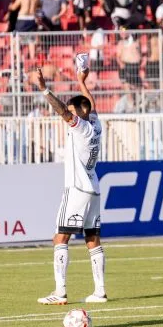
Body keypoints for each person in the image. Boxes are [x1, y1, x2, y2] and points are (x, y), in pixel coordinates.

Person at [29, 59, 107, 306]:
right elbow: (90, 105)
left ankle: (60, 292)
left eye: (74, 111)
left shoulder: (81, 127)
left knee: (60, 238)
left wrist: (44, 89)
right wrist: (82, 82)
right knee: (92, 239)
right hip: (93, 189)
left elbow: (63, 110)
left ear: (79, 113)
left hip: (77, 190)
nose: (70, 114)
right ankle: (100, 291)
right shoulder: (95, 124)